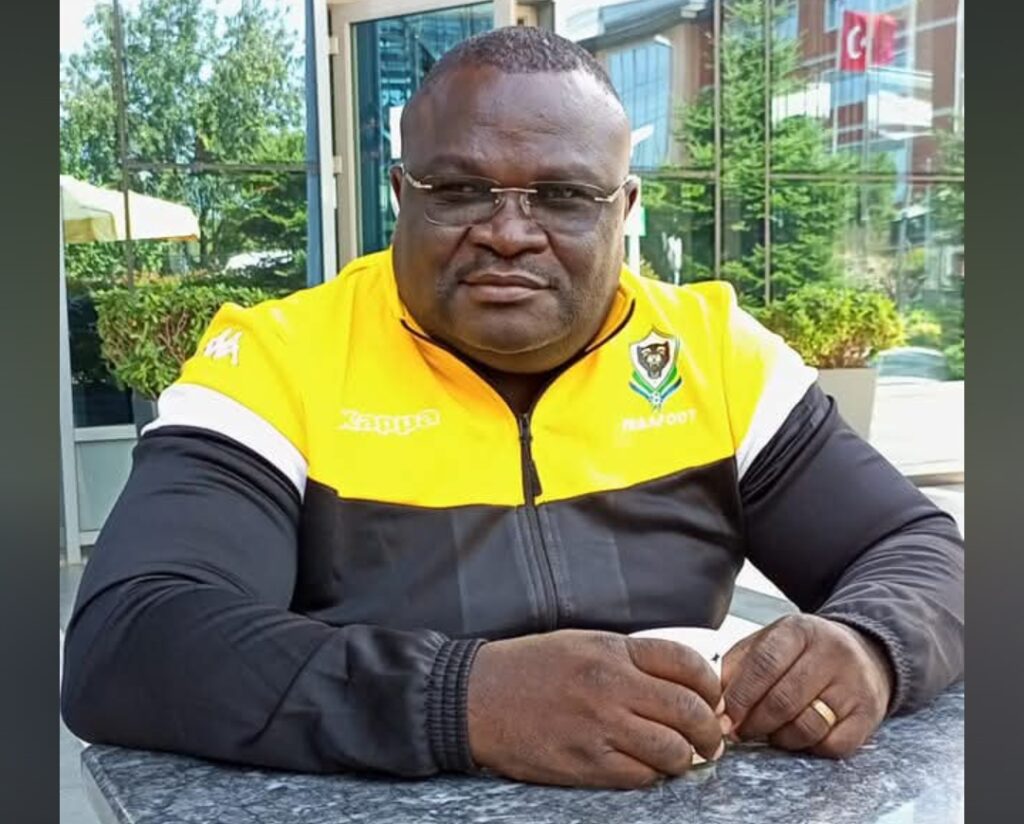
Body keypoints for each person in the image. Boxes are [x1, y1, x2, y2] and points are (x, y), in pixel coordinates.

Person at [61, 27, 964, 790]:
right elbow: (130, 636)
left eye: (564, 196)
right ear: (401, 196)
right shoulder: (277, 359)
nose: (508, 231)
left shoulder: (713, 352)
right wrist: (462, 700)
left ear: (624, 210)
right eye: (459, 190)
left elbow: (925, 551)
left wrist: (869, 644)